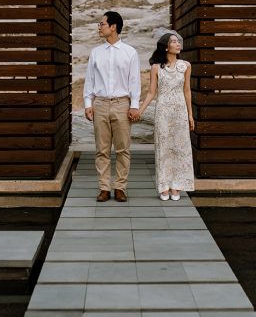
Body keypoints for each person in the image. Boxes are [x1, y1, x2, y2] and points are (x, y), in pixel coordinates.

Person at [83, 11, 141, 203]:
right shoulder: (95, 53)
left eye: (102, 24)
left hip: (122, 104)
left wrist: (134, 106)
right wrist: (87, 104)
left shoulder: (130, 52)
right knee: (102, 149)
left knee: (123, 148)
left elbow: (135, 81)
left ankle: (120, 187)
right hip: (99, 104)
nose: (99, 27)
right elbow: (89, 81)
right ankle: (104, 188)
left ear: (113, 26)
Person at [136, 31, 195, 201]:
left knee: (180, 148)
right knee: (164, 148)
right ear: (166, 46)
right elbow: (151, 93)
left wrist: (190, 115)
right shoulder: (156, 67)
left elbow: (187, 91)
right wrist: (140, 110)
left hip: (180, 111)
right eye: (174, 42)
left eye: (178, 41)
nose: (178, 44)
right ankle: (164, 186)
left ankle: (176, 186)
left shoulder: (186, 66)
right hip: (163, 111)